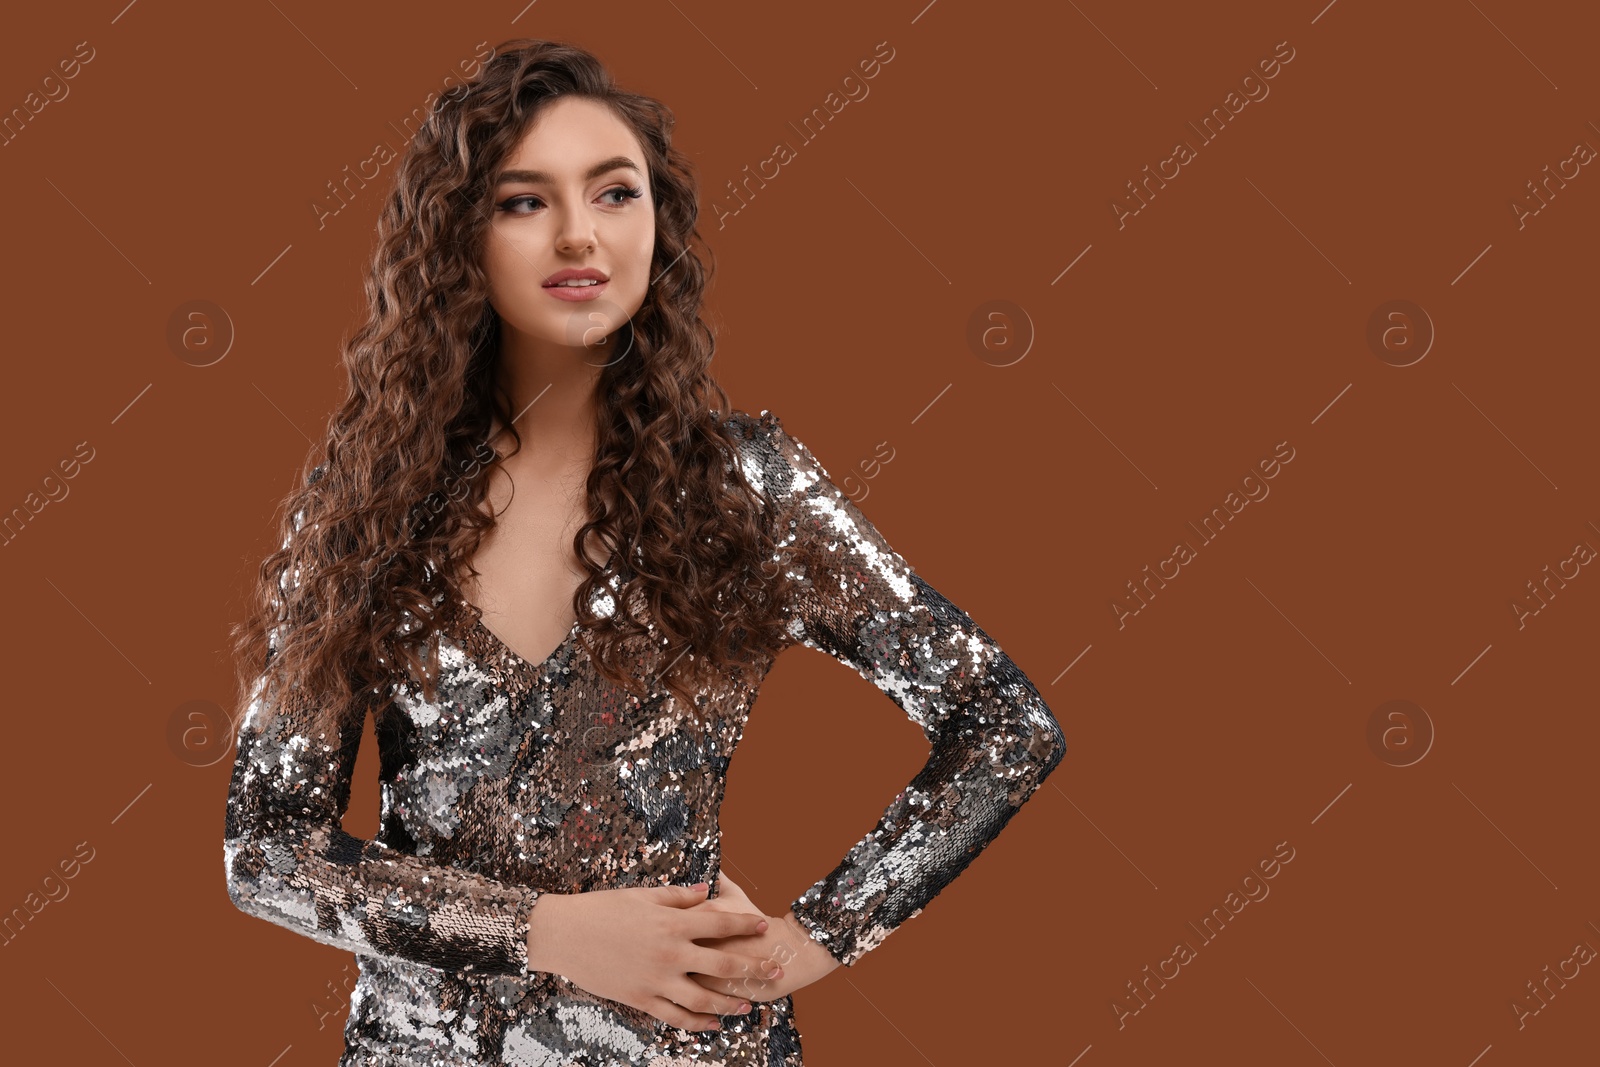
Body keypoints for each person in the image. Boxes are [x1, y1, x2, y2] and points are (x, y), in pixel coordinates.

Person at [222, 38, 1065, 1067]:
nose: (578, 233)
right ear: (459, 242)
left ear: (657, 227)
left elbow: (1003, 724)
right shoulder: (366, 501)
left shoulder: (746, 491)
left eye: (614, 193)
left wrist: (808, 942)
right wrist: (549, 932)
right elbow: (268, 848)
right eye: (523, 201)